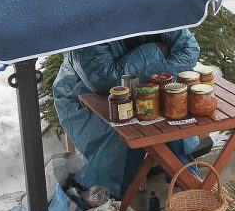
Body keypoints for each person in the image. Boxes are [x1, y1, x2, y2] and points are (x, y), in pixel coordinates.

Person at [52, 31, 201, 198]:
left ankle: (186, 182)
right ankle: (108, 199)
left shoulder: (159, 10)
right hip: (87, 98)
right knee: (126, 136)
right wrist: (156, 51)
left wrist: (153, 74)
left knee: (171, 115)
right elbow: (104, 79)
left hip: (147, 89)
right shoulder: (90, 24)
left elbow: (189, 50)